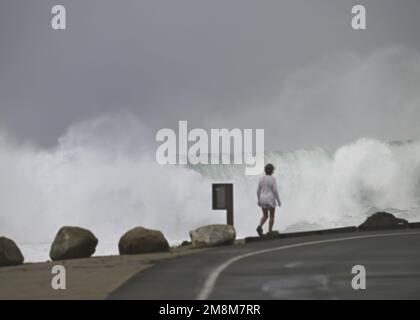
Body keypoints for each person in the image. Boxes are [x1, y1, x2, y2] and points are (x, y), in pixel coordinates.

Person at [256, 163, 281, 236]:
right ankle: (270, 231)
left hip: (262, 198)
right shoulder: (273, 179)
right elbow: (275, 190)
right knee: (272, 216)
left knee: (265, 215)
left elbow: (258, 190)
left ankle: (259, 226)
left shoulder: (261, 178)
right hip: (270, 198)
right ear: (272, 171)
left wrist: (258, 200)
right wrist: (278, 201)